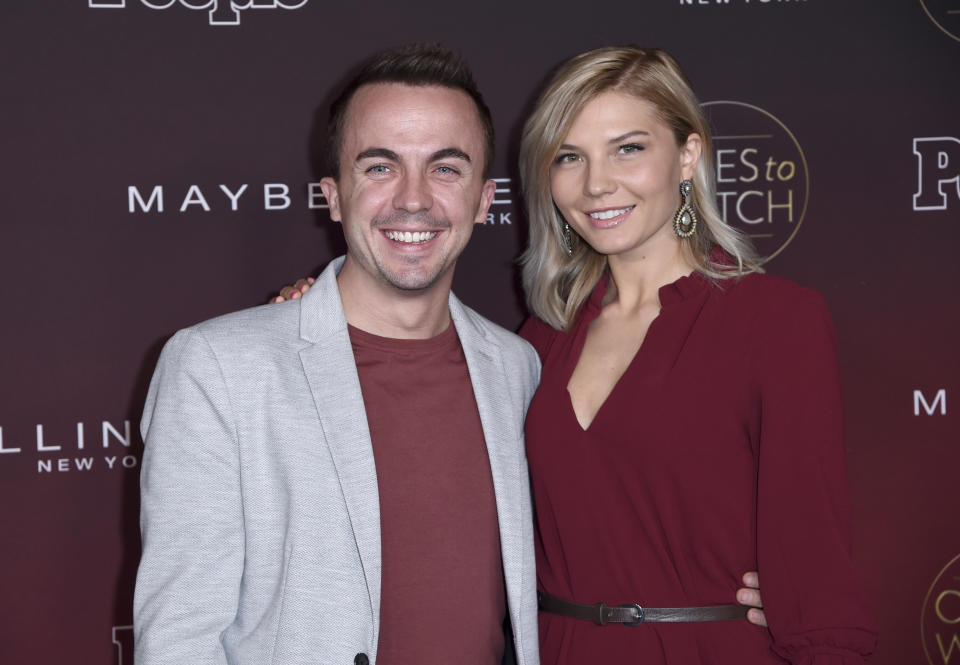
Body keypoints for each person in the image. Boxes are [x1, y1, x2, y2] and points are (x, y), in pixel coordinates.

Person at [134, 44, 542, 665]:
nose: (412, 199)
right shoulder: (216, 367)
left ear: (485, 201)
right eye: (379, 167)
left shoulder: (517, 367)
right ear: (333, 194)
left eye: (446, 169)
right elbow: (179, 637)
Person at [517, 46, 877, 663]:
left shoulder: (775, 321)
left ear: (688, 155)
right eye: (569, 157)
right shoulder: (538, 339)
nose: (597, 183)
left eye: (628, 148)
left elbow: (815, 571)